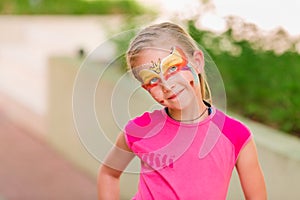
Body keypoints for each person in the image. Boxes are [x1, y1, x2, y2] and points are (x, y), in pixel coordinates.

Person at [98, 22, 267, 199]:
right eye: (153, 80)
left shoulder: (235, 135)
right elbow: (109, 174)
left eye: (172, 68)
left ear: (197, 62)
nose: (167, 85)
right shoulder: (141, 129)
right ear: (146, 88)